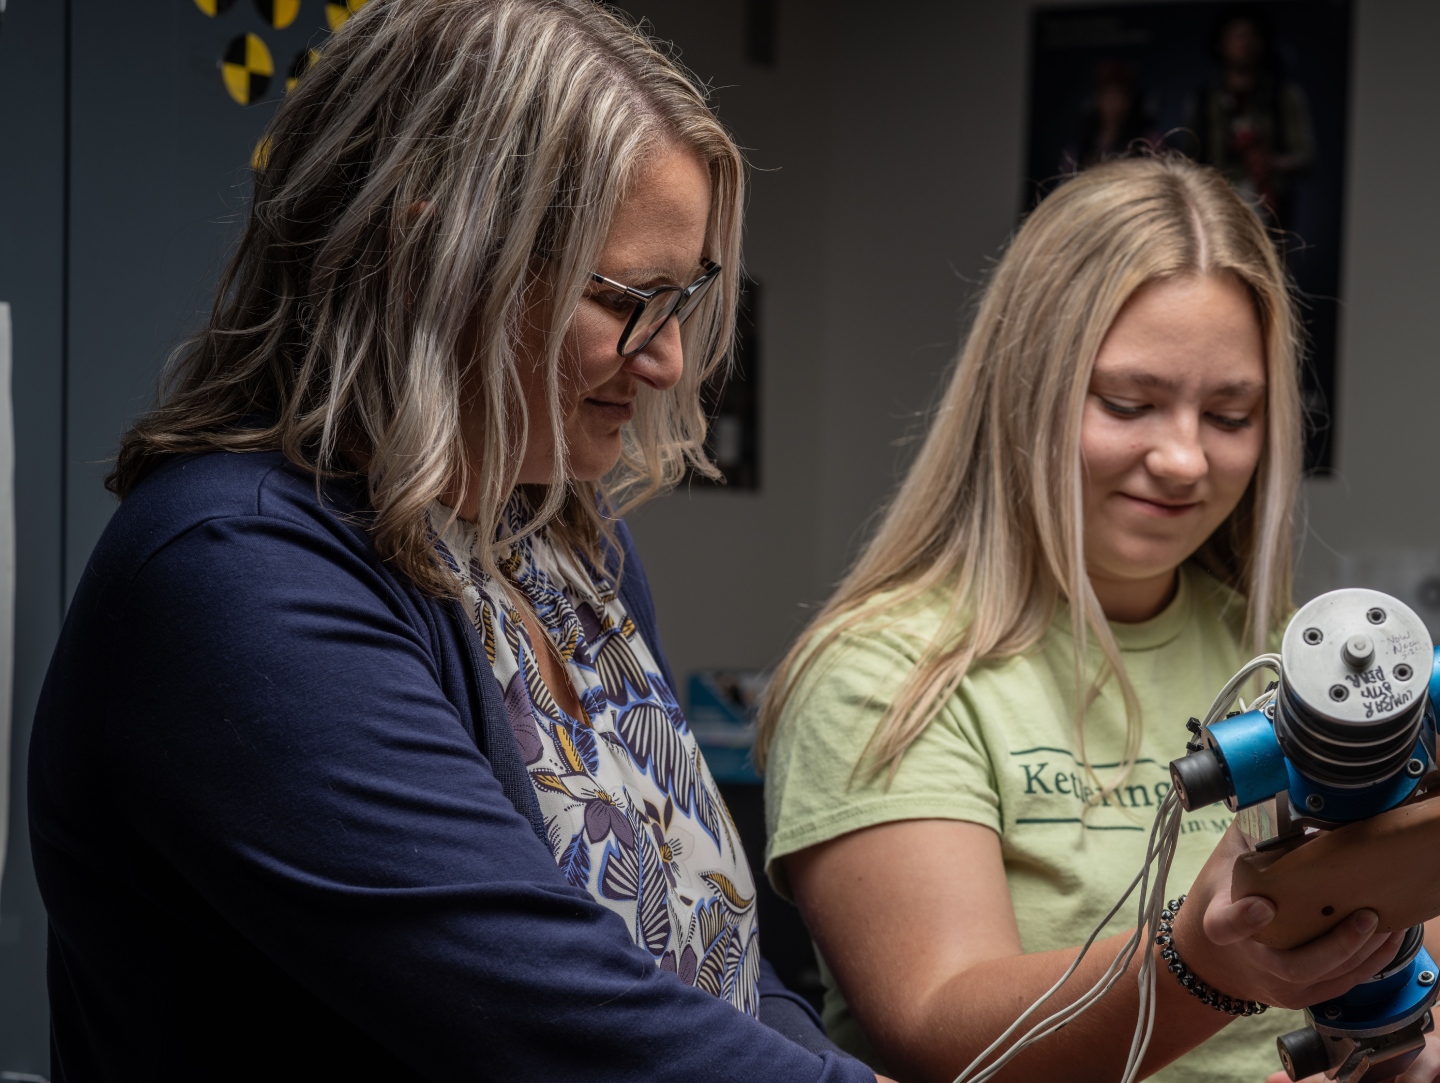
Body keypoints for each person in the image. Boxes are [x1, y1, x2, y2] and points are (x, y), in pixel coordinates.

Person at [28, 1, 879, 1079]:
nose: (665, 360)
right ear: (433, 252)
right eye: (627, 299)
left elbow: (726, 966)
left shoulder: (566, 543)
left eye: (685, 300)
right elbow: (554, 1019)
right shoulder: (232, 573)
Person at [757, 156, 1440, 1083]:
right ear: (1023, 390)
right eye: (1130, 403)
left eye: (1230, 414)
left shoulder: (1286, 665)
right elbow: (946, 1031)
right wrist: (1200, 967)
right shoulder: (885, 676)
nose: (1187, 459)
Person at [1182, 8, 1315, 234]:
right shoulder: (1204, 101)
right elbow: (1188, 161)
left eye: (1252, 35)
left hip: (1270, 209)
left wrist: (1269, 161)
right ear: (1220, 44)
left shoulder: (1282, 97)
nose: (1245, 43)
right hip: (1215, 209)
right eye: (1237, 35)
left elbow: (1306, 157)